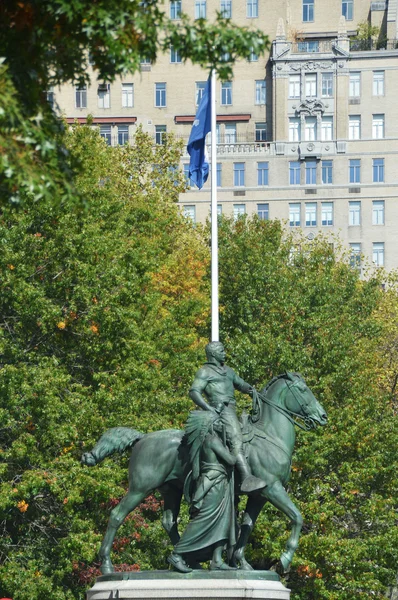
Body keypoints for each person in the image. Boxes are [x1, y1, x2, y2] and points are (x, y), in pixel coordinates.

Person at [189, 342, 266, 494]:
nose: (225, 353)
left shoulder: (229, 371)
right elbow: (194, 391)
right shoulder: (205, 371)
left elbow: (241, 384)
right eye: (221, 351)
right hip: (222, 410)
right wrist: (208, 408)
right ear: (212, 354)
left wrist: (254, 392)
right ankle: (246, 477)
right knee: (235, 437)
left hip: (232, 409)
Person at [168, 411, 238, 572]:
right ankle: (177, 554)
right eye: (219, 423)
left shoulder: (214, 440)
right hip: (213, 483)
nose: (222, 426)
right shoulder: (212, 440)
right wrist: (236, 447)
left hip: (221, 483)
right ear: (211, 426)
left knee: (223, 521)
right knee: (203, 519)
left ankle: (217, 559)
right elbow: (231, 460)